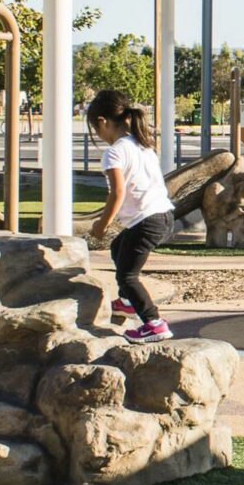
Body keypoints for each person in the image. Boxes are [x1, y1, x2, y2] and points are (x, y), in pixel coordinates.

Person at [85, 89, 176, 343]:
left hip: (146, 221)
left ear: (102, 122)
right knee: (118, 247)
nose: (98, 136)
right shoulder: (143, 145)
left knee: (128, 275)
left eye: (96, 130)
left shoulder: (114, 152)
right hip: (164, 216)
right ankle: (126, 301)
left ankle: (154, 323)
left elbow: (117, 192)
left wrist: (101, 224)